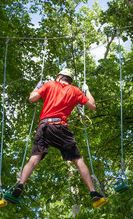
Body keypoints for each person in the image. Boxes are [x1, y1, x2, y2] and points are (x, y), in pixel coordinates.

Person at [11, 68, 105, 204]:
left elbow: (32, 98)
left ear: (60, 77)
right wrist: (86, 90)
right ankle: (92, 191)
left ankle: (20, 185)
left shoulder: (49, 84)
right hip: (60, 127)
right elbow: (92, 106)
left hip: (43, 127)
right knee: (78, 161)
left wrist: (37, 87)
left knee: (33, 159)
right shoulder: (75, 91)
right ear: (70, 80)